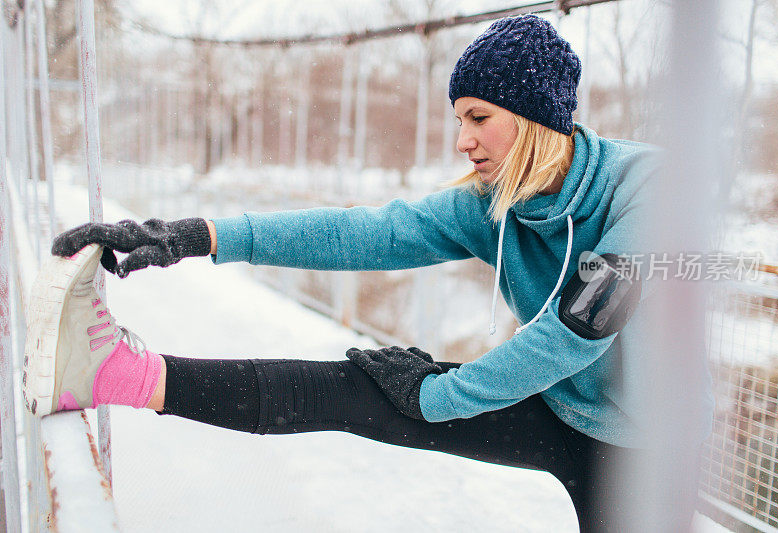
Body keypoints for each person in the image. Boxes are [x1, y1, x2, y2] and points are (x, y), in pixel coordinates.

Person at [22, 14, 712, 532]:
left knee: (413, 392)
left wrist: (438, 397)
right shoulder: (493, 203)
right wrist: (195, 236)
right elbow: (368, 232)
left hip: (646, 450)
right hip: (559, 407)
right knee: (360, 391)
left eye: (478, 117)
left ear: (534, 119)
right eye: (458, 118)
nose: (462, 139)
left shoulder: (653, 189)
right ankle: (116, 372)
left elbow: (576, 331)